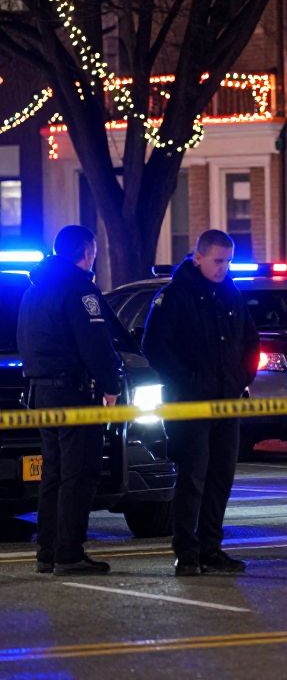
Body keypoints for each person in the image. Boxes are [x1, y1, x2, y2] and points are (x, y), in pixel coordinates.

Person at [142, 229, 259, 577]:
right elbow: (155, 346)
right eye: (218, 261)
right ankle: (187, 553)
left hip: (226, 402)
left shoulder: (230, 294)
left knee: (221, 477)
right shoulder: (175, 296)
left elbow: (250, 341)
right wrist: (187, 382)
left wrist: (241, 378)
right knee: (193, 478)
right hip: (190, 404)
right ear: (198, 257)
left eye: (228, 261)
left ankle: (211, 549)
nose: (224, 268)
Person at [16, 225, 123, 575]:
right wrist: (111, 387)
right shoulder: (80, 289)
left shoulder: (35, 289)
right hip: (75, 393)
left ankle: (47, 552)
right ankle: (69, 553)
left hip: (43, 392)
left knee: (53, 473)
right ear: (87, 252)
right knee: (79, 472)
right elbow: (96, 345)